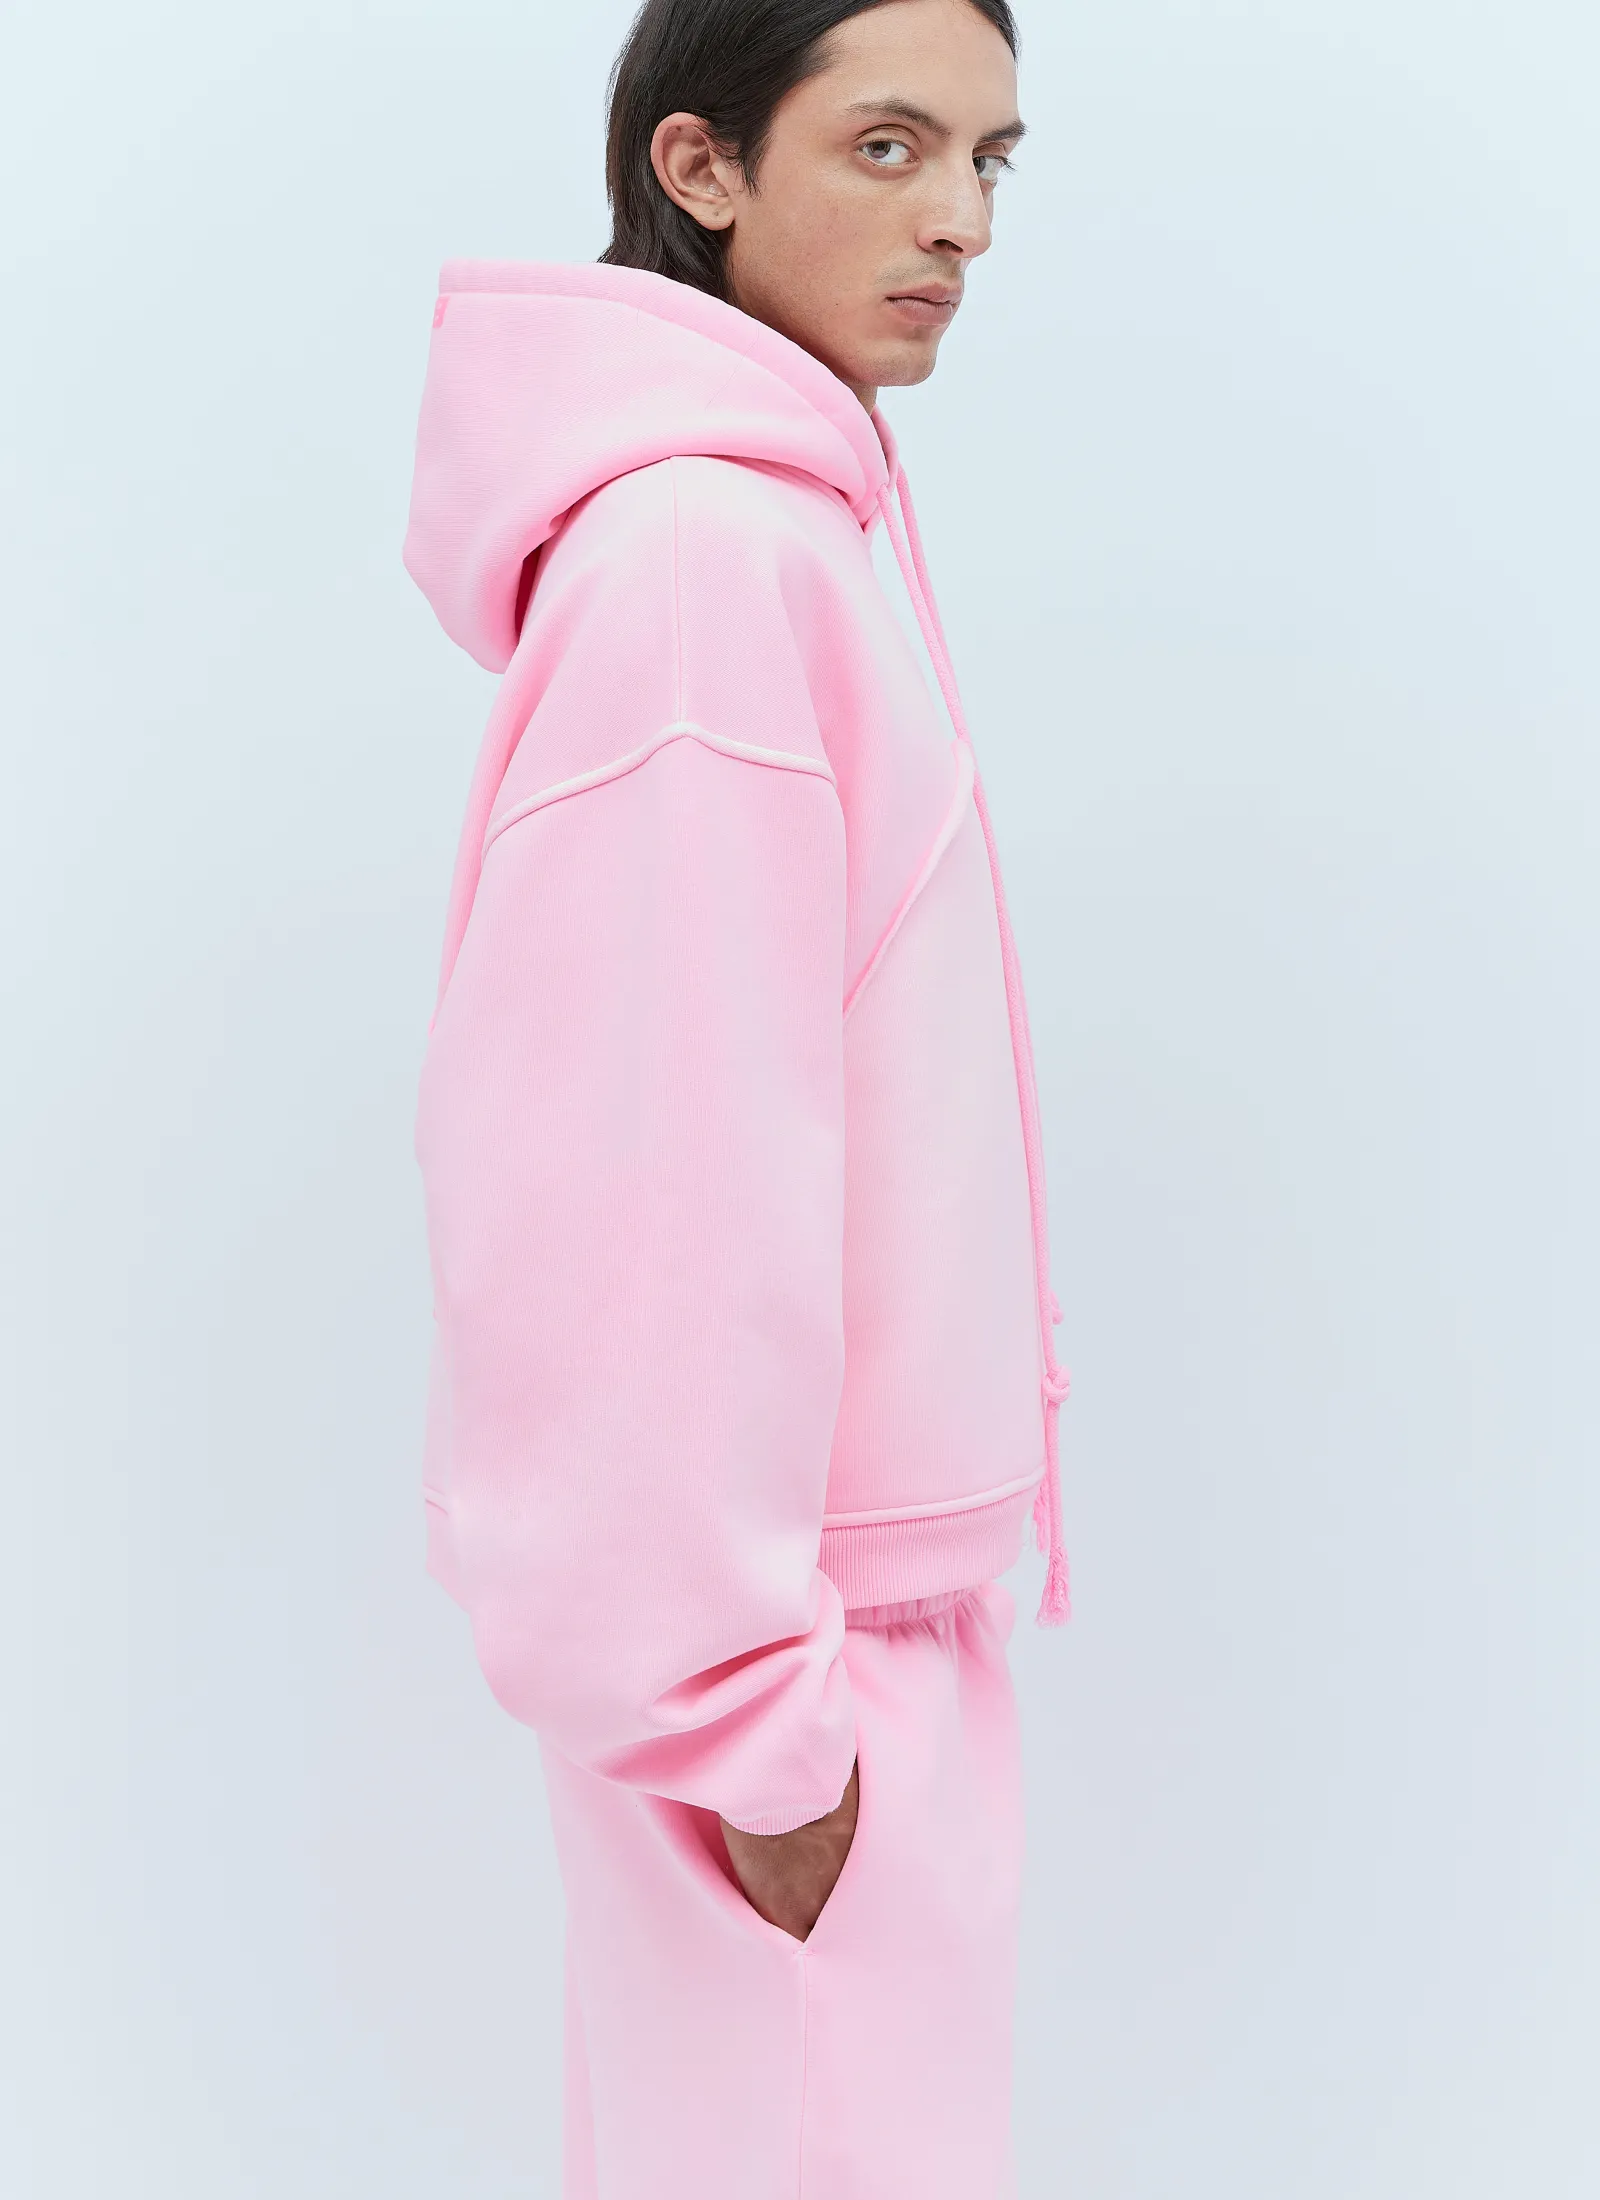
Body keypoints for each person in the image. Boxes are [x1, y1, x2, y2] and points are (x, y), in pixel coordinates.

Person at [402, 0, 1069, 2190]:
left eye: (989, 159)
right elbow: (631, 1189)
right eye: (887, 146)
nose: (960, 222)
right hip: (781, 1683)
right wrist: (757, 1734)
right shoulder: (706, 566)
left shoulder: (769, 541)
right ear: (697, 166)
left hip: (806, 1646)